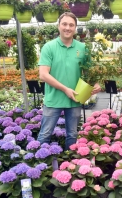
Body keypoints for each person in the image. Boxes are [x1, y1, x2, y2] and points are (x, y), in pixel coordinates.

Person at [37, 12, 101, 150]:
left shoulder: (82, 48)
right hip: (53, 100)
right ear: (58, 26)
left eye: (71, 25)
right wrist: (65, 89)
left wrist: (95, 83)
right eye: (64, 24)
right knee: (45, 134)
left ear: (75, 28)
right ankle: (40, 165)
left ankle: (70, 164)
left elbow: (89, 72)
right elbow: (43, 75)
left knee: (72, 134)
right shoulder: (49, 47)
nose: (67, 27)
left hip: (75, 99)